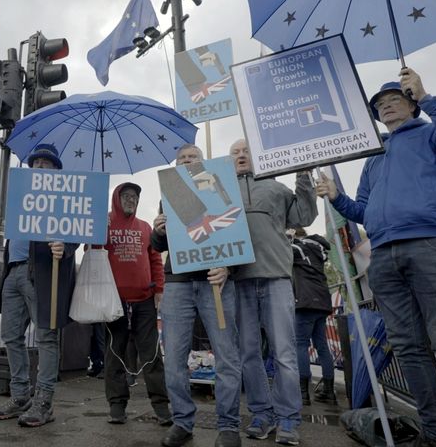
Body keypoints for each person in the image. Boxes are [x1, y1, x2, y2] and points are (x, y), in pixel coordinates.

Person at [316, 68, 436, 447]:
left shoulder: (431, 132)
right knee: (407, 347)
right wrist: (335, 198)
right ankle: (435, 432)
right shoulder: (374, 157)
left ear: (411, 104)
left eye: (394, 100)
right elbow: (362, 211)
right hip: (384, 258)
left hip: (431, 245)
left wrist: (427, 96)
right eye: (380, 106)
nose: (386, 107)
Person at [229, 138, 318, 446]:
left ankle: (289, 420)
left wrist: (304, 176)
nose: (241, 155)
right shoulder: (220, 192)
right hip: (239, 280)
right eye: (235, 153)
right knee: (249, 353)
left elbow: (304, 217)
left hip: (277, 277)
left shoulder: (278, 188)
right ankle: (261, 414)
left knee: (284, 353)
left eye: (246, 151)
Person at [151, 144, 239, 447]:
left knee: (227, 355)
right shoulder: (169, 193)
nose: (187, 162)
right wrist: (158, 231)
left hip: (216, 280)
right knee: (174, 358)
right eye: (182, 159)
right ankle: (182, 422)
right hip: (177, 282)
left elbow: (237, 232)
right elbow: (159, 245)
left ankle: (228, 426)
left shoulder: (221, 187)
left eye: (193, 158)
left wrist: (227, 267)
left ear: (204, 163)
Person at [0, 144, 78, 428]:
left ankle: (44, 400)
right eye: (35, 162)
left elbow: (79, 231)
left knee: (46, 338)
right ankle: (20, 396)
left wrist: (66, 245)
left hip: (41, 272)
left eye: (46, 163)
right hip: (13, 271)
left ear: (56, 171)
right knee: (11, 336)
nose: (39, 166)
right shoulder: (20, 196)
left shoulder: (65, 198)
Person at [101, 182, 170, 425]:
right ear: (116, 199)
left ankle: (162, 408)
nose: (131, 200)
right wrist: (97, 231)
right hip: (113, 303)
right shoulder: (104, 223)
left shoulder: (144, 227)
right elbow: (93, 253)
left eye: (134, 197)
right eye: (126, 196)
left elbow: (155, 261)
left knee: (151, 355)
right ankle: (117, 406)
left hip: (144, 302)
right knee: (114, 355)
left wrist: (159, 289)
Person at [289, 228, 334, 406]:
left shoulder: (298, 248)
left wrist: (287, 236)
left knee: (301, 344)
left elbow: (281, 252)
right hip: (322, 300)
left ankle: (303, 392)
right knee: (322, 345)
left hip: (305, 300)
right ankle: (329, 391)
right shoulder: (319, 250)